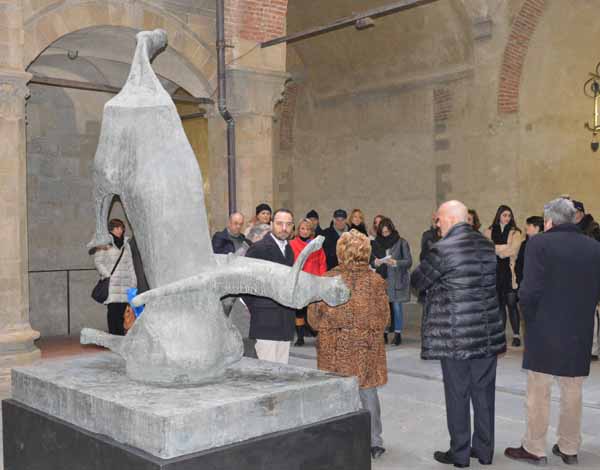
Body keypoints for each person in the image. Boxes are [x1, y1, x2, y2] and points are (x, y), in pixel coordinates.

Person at [505, 198, 600, 466]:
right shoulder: (593, 246)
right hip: (579, 329)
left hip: (545, 327)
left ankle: (534, 448)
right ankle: (569, 448)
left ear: (548, 221)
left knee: (539, 390)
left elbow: (530, 288)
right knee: (573, 390)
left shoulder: (539, 243)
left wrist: (529, 318)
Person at [411, 200, 506, 468]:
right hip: (486, 333)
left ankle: (460, 453)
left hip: (455, 337)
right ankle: (485, 452)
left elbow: (418, 281)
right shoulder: (487, 246)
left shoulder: (441, 249)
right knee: (484, 394)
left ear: (451, 219)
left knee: (458, 395)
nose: (436, 224)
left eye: (438, 219)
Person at [308, 229, 389, 460]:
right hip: (366, 347)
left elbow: (313, 319)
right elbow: (385, 318)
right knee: (368, 393)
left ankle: (336, 440)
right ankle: (374, 441)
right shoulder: (375, 280)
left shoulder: (326, 279)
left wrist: (334, 323)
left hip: (335, 348)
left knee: (335, 394)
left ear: (340, 252)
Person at [243, 209, 295, 364]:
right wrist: (259, 309)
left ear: (292, 227)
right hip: (266, 322)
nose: (284, 228)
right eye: (279, 224)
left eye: (288, 224)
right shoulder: (259, 248)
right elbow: (245, 283)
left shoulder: (289, 249)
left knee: (282, 371)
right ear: (271, 224)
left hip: (285, 320)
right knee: (267, 375)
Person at [485, 205, 523, 347]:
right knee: (500, 305)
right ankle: (500, 334)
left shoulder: (516, 232)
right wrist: (503, 247)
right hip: (494, 272)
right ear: (499, 215)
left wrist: (498, 249)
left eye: (509, 215)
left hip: (509, 272)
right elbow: (487, 249)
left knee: (512, 304)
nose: (507, 218)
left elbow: (513, 251)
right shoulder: (489, 231)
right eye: (504, 215)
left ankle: (516, 334)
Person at [371, 217, 412, 346]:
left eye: (387, 232)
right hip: (382, 279)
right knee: (382, 309)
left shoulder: (401, 242)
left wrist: (396, 262)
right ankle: (383, 333)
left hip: (396, 280)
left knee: (396, 307)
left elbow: (408, 261)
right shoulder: (376, 243)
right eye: (382, 233)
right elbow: (371, 260)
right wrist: (375, 262)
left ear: (391, 230)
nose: (384, 235)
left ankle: (398, 334)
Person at [93, 218, 137, 336]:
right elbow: (98, 262)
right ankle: (114, 337)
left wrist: (133, 282)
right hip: (112, 284)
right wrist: (108, 275)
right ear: (111, 229)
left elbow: (130, 265)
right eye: (116, 228)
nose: (119, 230)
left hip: (126, 284)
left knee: (124, 311)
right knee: (113, 311)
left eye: (121, 228)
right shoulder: (104, 244)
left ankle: (122, 337)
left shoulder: (126, 245)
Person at [289, 218, 326, 346]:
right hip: (299, 281)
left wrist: (322, 278)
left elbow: (322, 262)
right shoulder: (292, 244)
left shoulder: (317, 244)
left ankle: (318, 335)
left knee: (315, 310)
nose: (304, 231)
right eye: (302, 228)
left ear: (311, 231)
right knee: (299, 310)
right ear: (298, 230)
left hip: (314, 281)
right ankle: (300, 337)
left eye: (307, 229)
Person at [573, 201, 600, 361]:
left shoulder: (593, 228)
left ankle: (593, 349)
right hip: (575, 276)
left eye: (575, 212)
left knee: (591, 314)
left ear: (581, 212)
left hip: (591, 275)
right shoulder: (571, 228)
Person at [418, 211, 441, 303]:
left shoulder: (448, 235)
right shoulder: (427, 235)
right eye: (434, 219)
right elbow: (422, 255)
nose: (436, 222)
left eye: (438, 219)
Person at [515, 216, 544, 289]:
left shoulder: (545, 244)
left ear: (536, 228)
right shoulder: (524, 243)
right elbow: (519, 263)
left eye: (529, 225)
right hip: (524, 283)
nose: (525, 227)